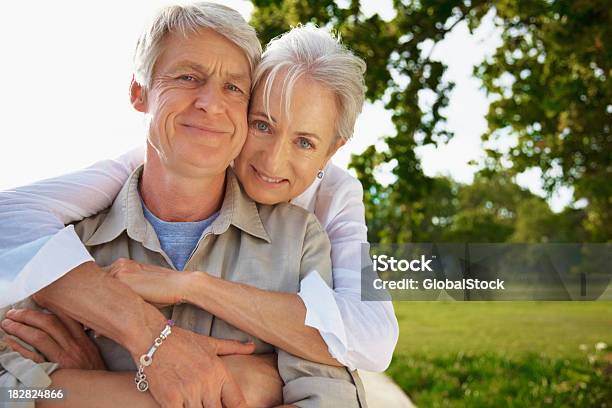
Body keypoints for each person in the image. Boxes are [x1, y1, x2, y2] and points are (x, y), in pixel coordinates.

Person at [0, 3, 368, 407]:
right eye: (188, 77)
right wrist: (227, 385)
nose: (211, 103)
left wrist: (89, 384)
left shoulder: (298, 240)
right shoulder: (66, 241)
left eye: (232, 87)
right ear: (139, 93)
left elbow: (333, 395)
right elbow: (10, 389)